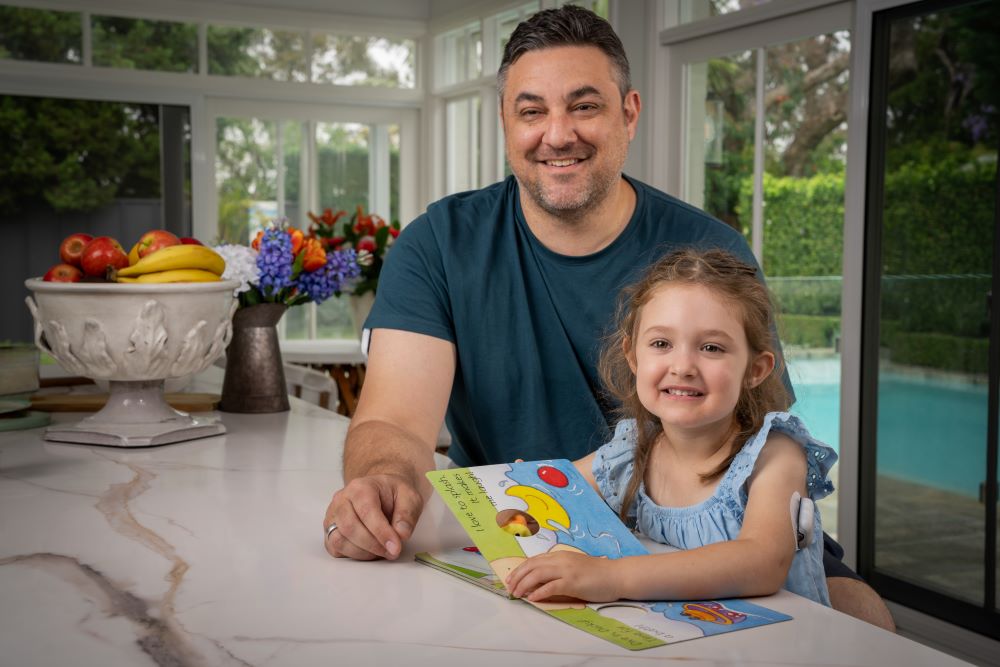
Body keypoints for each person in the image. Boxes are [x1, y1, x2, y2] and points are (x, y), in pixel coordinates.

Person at [323, 5, 894, 631]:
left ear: (630, 113)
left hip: (709, 537)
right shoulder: (438, 244)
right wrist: (384, 487)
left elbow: (758, 439)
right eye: (532, 110)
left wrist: (632, 567)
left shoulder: (711, 253)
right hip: (542, 531)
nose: (558, 133)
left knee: (867, 618)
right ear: (507, 122)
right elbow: (395, 422)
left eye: (585, 106)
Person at [507, 248, 832, 605]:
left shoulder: (774, 456)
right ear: (633, 356)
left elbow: (762, 562)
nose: (682, 366)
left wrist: (612, 577)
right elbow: (557, 488)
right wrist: (521, 485)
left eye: (711, 347)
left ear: (755, 370)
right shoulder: (632, 451)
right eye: (661, 343)